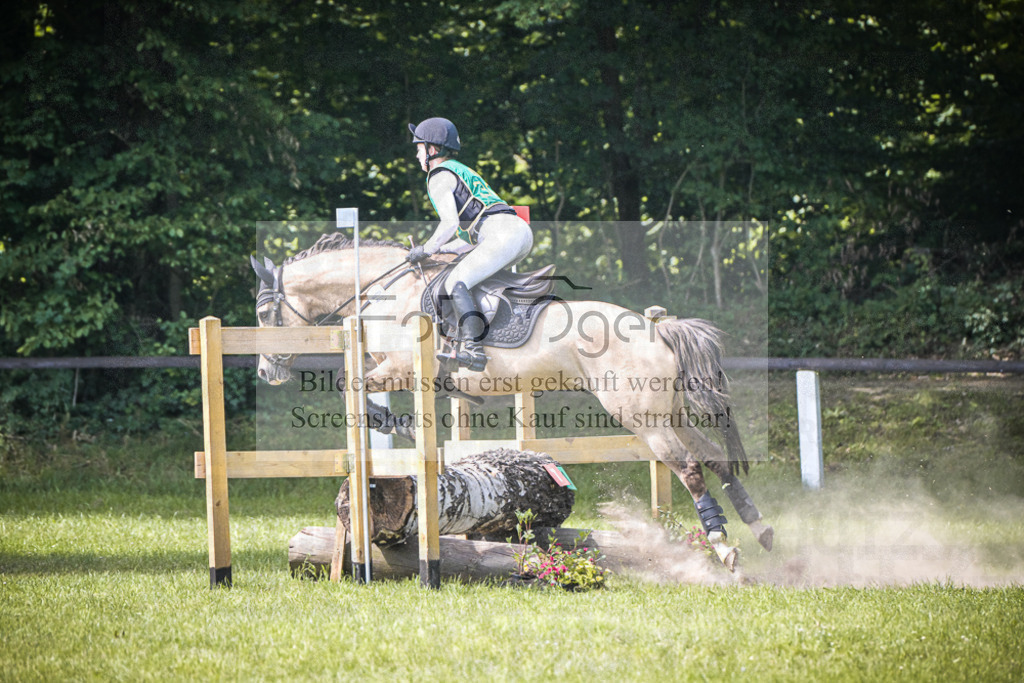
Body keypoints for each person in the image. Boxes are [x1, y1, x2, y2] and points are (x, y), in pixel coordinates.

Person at [406, 117, 533, 371]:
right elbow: (467, 238)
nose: (417, 155)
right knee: (473, 278)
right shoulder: (460, 169)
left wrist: (426, 249)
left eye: (419, 148)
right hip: (515, 232)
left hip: (502, 233)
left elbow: (449, 224)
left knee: (456, 282)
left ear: (432, 149)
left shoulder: (438, 176)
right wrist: (443, 249)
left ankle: (473, 350)